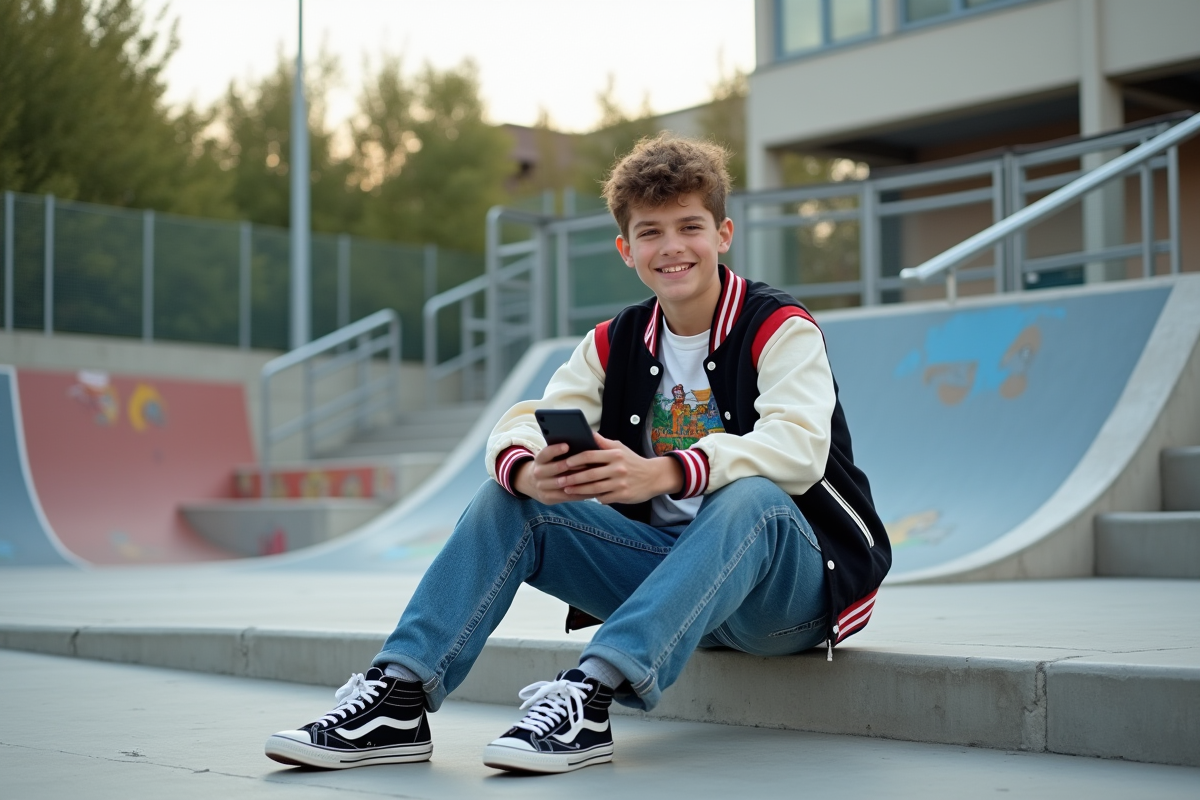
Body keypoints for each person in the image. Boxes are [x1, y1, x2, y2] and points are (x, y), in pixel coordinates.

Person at [264, 134, 891, 775]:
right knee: (508, 498)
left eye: (690, 227)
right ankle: (398, 699)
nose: (672, 246)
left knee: (751, 496)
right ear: (627, 250)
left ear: (724, 234)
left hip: (789, 596)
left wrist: (666, 470)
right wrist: (531, 470)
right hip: (674, 581)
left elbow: (798, 449)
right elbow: (521, 425)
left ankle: (591, 697)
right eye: (650, 232)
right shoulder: (613, 342)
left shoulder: (779, 327)